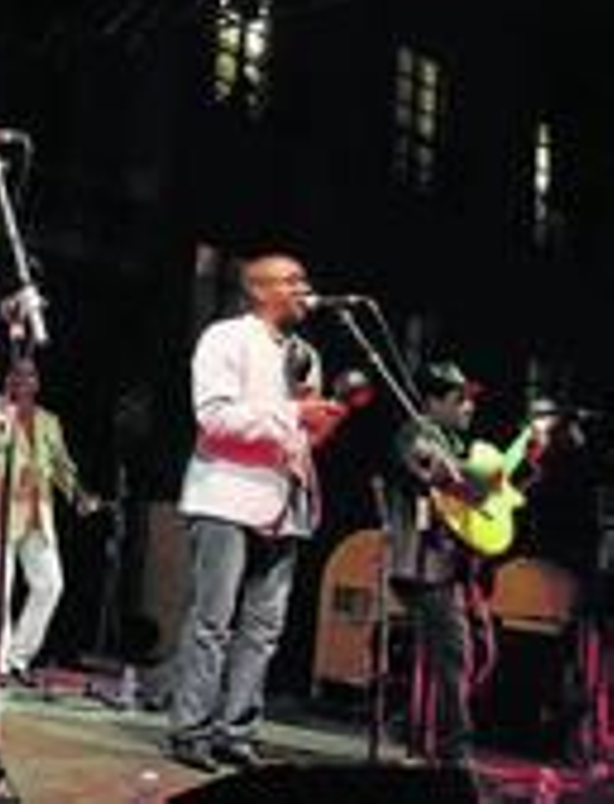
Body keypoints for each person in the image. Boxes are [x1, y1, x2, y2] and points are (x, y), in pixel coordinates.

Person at [165, 253, 348, 772]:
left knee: (264, 628)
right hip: (226, 493)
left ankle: (236, 731)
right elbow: (215, 419)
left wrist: (325, 420)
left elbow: (304, 437)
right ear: (258, 289)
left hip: (283, 500)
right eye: (292, 281)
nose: (304, 289)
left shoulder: (306, 355)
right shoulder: (225, 338)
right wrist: (295, 413)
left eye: (304, 280)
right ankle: (191, 730)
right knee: (213, 621)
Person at [388, 360, 496, 768]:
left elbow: (480, 498)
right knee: (455, 654)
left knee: (473, 653)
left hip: (450, 567)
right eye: (459, 399)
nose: (469, 407)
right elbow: (432, 474)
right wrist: (489, 478)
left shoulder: (450, 441)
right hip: (423, 566)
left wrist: (522, 467)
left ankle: (429, 738)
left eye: (470, 400)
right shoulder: (414, 433)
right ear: (432, 401)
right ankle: (452, 752)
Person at [0, 356, 97, 686]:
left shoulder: (48, 421)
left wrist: (78, 494)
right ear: (6, 380)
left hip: (38, 515)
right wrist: (15, 475)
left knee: (50, 585)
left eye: (30, 375)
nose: (24, 381)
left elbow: (62, 465)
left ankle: (18, 656)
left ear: (37, 382)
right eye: (17, 375)